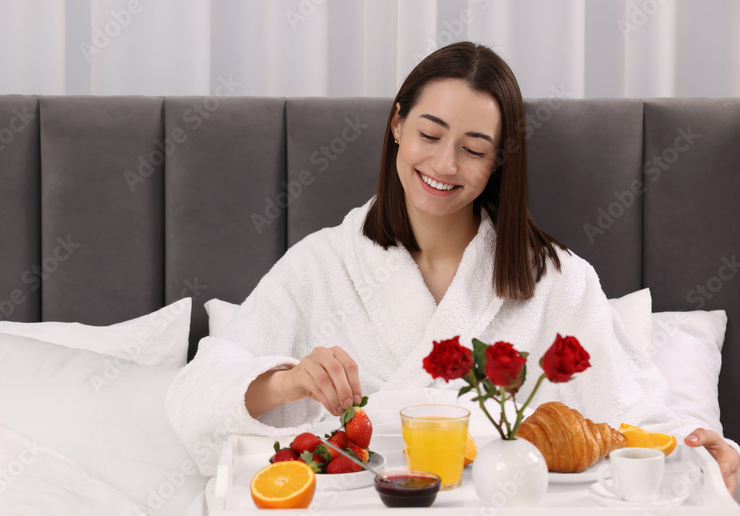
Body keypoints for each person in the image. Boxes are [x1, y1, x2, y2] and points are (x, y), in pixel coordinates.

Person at [166, 41, 738, 493]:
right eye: (429, 134)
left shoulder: (558, 282)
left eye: (472, 148)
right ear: (396, 126)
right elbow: (195, 403)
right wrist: (286, 379)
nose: (443, 164)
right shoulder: (320, 265)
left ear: (498, 162)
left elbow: (628, 418)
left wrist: (697, 449)